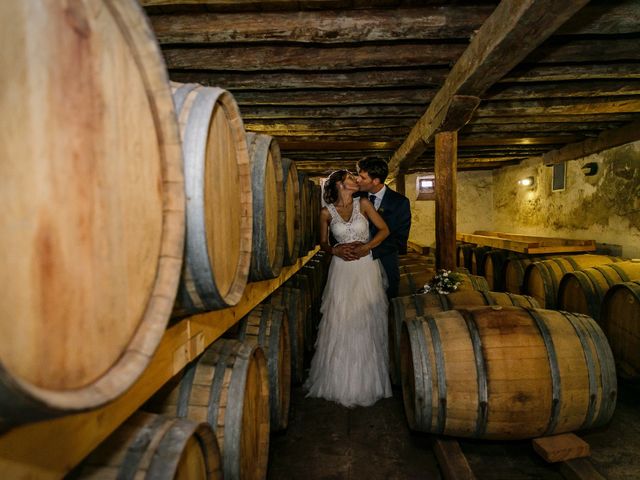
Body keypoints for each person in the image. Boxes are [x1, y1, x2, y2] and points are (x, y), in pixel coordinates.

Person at [304, 170, 392, 408]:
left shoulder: (363, 203)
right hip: (342, 270)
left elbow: (384, 230)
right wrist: (335, 250)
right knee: (341, 320)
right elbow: (323, 244)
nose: (356, 180)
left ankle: (367, 382)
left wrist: (367, 247)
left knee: (365, 320)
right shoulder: (326, 213)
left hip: (365, 268)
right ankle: (338, 380)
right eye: (351, 178)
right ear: (340, 184)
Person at [356, 158, 411, 299]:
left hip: (385, 261)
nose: (357, 180)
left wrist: (370, 250)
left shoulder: (400, 202)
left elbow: (400, 238)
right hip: (356, 263)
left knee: (386, 302)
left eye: (362, 177)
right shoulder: (354, 198)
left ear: (375, 181)